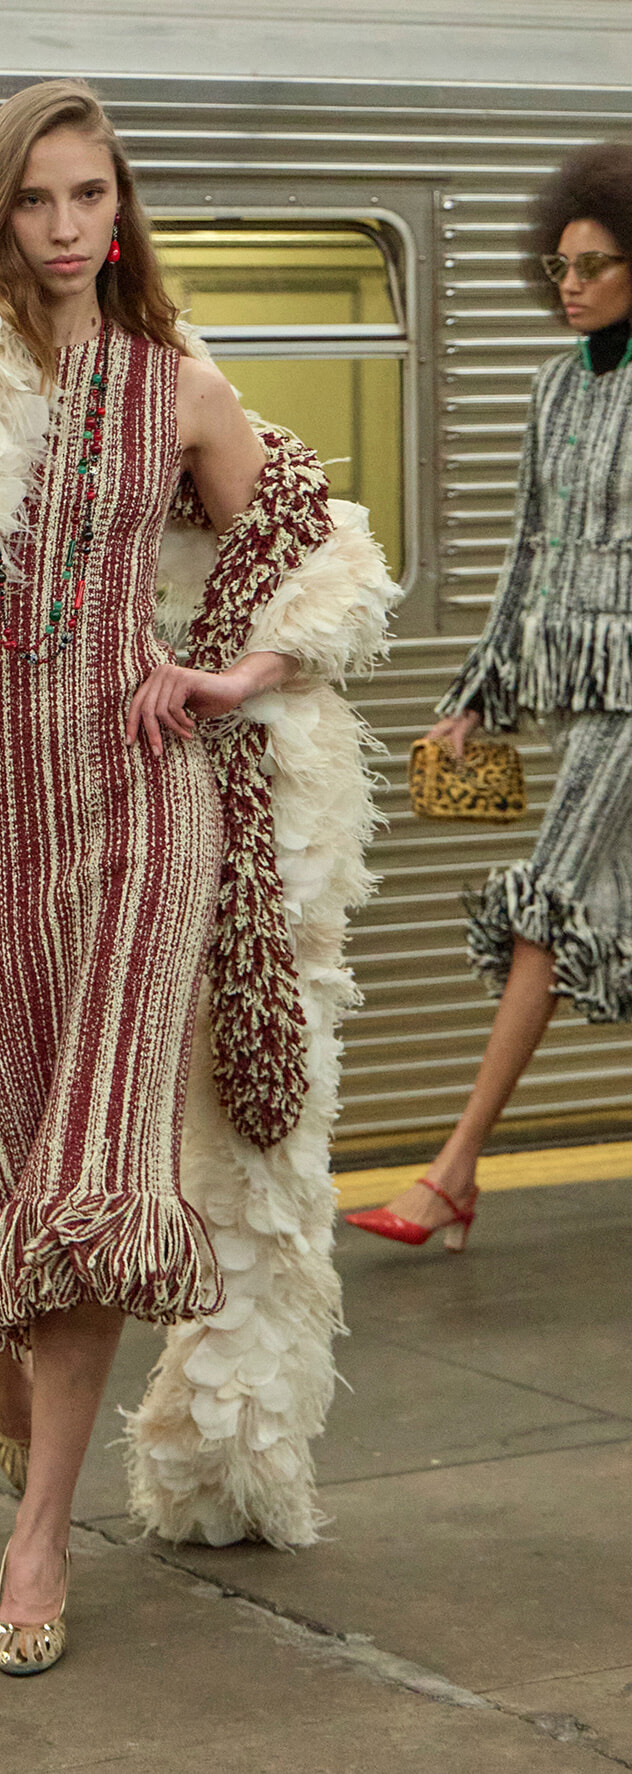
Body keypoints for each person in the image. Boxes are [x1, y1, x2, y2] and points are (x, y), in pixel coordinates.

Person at [0, 79, 398, 1674]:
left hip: (137, 817)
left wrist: (233, 675)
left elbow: (321, 547)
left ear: (124, 211)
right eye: (36, 200)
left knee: (98, 1177)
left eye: (89, 198)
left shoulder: (173, 383)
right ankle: (15, 1416)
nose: (62, 229)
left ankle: (38, 1536)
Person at [345, 141, 632, 1255]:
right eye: (561, 265)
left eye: (597, 265)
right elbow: (526, 556)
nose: (571, 285)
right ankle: (455, 1174)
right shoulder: (554, 387)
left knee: (548, 906)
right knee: (587, 917)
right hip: (580, 690)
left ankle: (453, 1173)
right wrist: (477, 697)